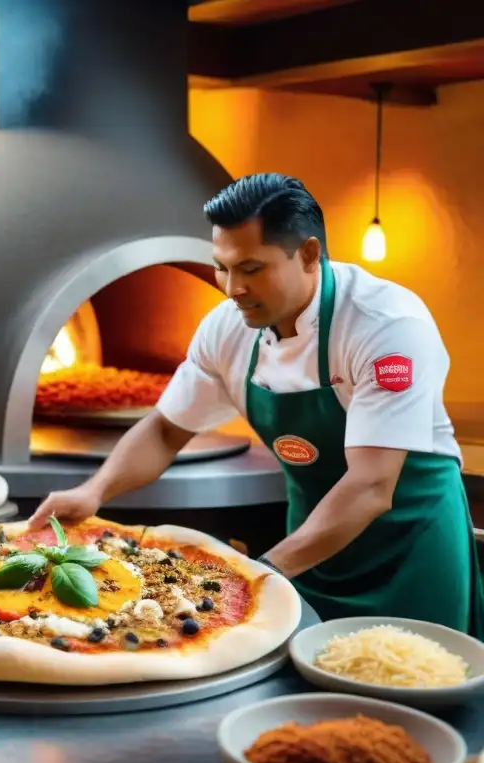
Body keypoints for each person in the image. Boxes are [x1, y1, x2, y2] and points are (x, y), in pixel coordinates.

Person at [29, 173, 484, 637]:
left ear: (308, 255)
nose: (231, 288)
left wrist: (261, 570)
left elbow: (370, 486)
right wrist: (95, 490)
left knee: (415, 691)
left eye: (251, 269)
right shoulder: (227, 328)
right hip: (312, 544)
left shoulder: (385, 325)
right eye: (221, 267)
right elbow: (166, 430)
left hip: (409, 548)